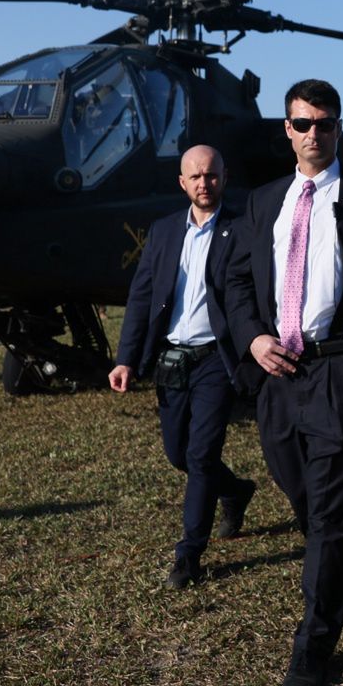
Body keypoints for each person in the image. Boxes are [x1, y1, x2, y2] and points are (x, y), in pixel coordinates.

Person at [225, 79, 343, 686]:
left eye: (325, 124)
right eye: (303, 124)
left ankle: (314, 645)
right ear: (287, 129)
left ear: (338, 127)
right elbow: (238, 281)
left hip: (338, 371)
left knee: (326, 512)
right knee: (298, 492)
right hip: (277, 375)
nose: (314, 135)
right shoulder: (263, 201)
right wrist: (251, 338)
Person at [109, 144, 255, 589]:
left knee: (201, 453)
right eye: (195, 177)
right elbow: (142, 296)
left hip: (217, 357)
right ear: (182, 182)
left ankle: (189, 553)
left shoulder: (243, 228)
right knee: (179, 454)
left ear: (223, 177)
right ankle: (235, 491)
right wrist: (127, 358)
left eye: (211, 175)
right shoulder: (164, 231)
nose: (203, 184)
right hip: (173, 358)